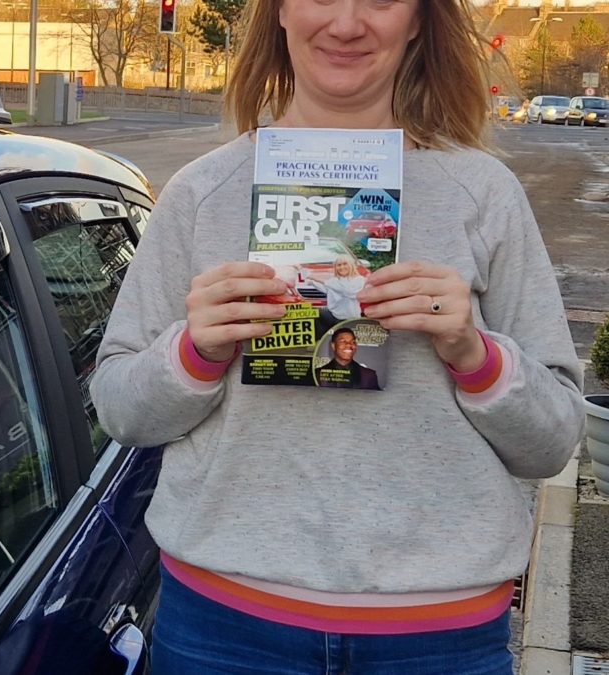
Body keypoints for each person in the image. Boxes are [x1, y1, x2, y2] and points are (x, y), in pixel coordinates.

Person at [89, 1, 584, 673]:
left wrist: (475, 352)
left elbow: (554, 442)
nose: (347, 24)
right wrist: (194, 351)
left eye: (379, 0)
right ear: (282, 12)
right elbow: (119, 407)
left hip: (438, 636)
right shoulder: (203, 193)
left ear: (418, 20)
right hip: (225, 626)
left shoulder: (483, 194)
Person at [302, 254, 365, 329]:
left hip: (349, 318)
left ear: (351, 265)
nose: (342, 267)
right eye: (339, 265)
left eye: (345, 264)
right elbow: (327, 289)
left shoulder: (359, 280)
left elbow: (346, 291)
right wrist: (312, 283)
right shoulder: (335, 280)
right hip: (333, 314)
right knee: (313, 313)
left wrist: (315, 277)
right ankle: (321, 338)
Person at [315, 327, 380, 390]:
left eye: (353, 342)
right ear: (333, 346)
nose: (349, 345)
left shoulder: (369, 375)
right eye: (343, 341)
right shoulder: (317, 374)